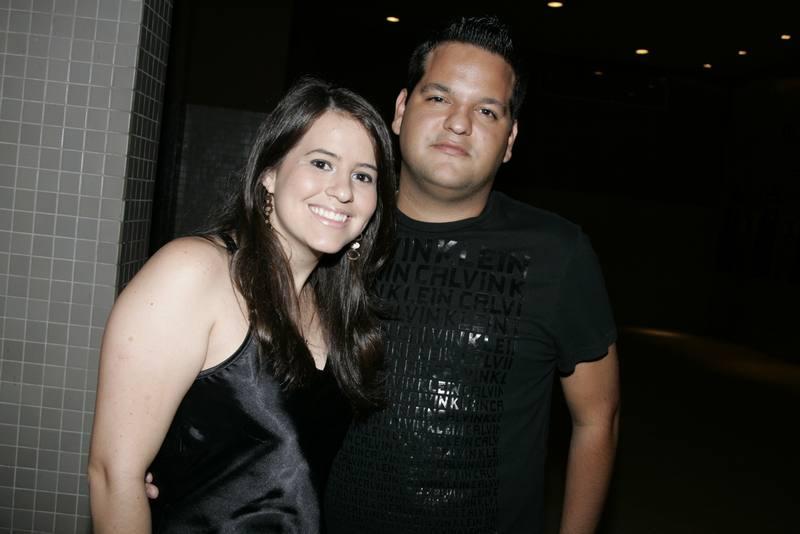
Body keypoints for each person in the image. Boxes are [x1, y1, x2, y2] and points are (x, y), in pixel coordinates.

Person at [323, 16, 620, 534]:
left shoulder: (558, 253)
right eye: (439, 97)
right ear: (401, 110)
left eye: (486, 110)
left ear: (510, 139)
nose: (459, 123)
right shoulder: (335, 230)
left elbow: (598, 418)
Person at [88, 77, 396, 533]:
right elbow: (114, 476)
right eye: (321, 163)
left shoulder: (333, 311)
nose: (343, 190)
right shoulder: (195, 273)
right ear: (269, 172)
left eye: (363, 176)